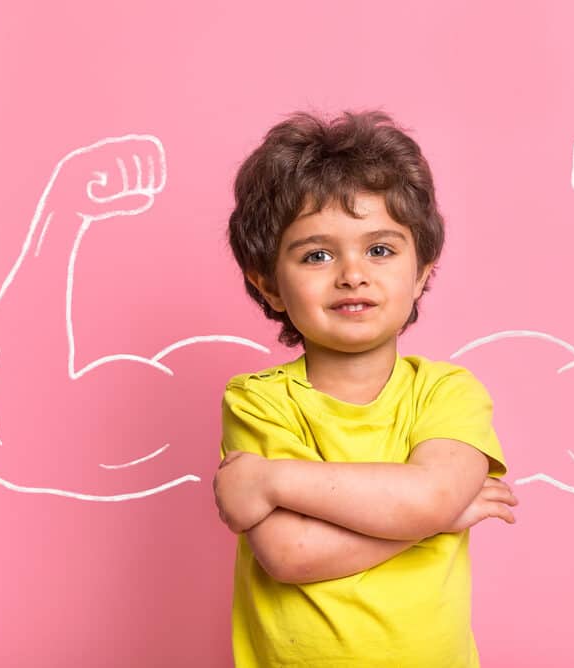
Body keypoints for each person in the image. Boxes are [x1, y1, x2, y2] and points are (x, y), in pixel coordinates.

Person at [212, 109, 518, 667]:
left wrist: (273, 479)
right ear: (268, 284)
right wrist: (435, 521)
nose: (352, 273)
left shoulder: (447, 392)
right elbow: (290, 553)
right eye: (317, 255)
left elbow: (430, 496)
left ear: (421, 271)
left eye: (380, 249)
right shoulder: (257, 400)